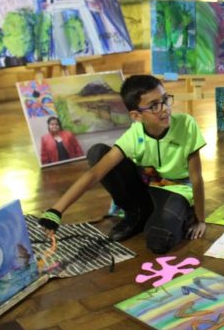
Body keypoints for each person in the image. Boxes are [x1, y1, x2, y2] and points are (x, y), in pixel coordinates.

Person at [38, 75, 207, 254]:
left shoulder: (187, 125)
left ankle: (178, 213)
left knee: (159, 241)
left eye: (165, 100)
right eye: (155, 106)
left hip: (177, 189)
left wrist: (200, 218)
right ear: (136, 115)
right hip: (148, 186)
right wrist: (57, 210)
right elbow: (95, 173)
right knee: (98, 153)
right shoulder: (134, 135)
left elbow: (196, 179)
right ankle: (138, 213)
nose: (165, 109)